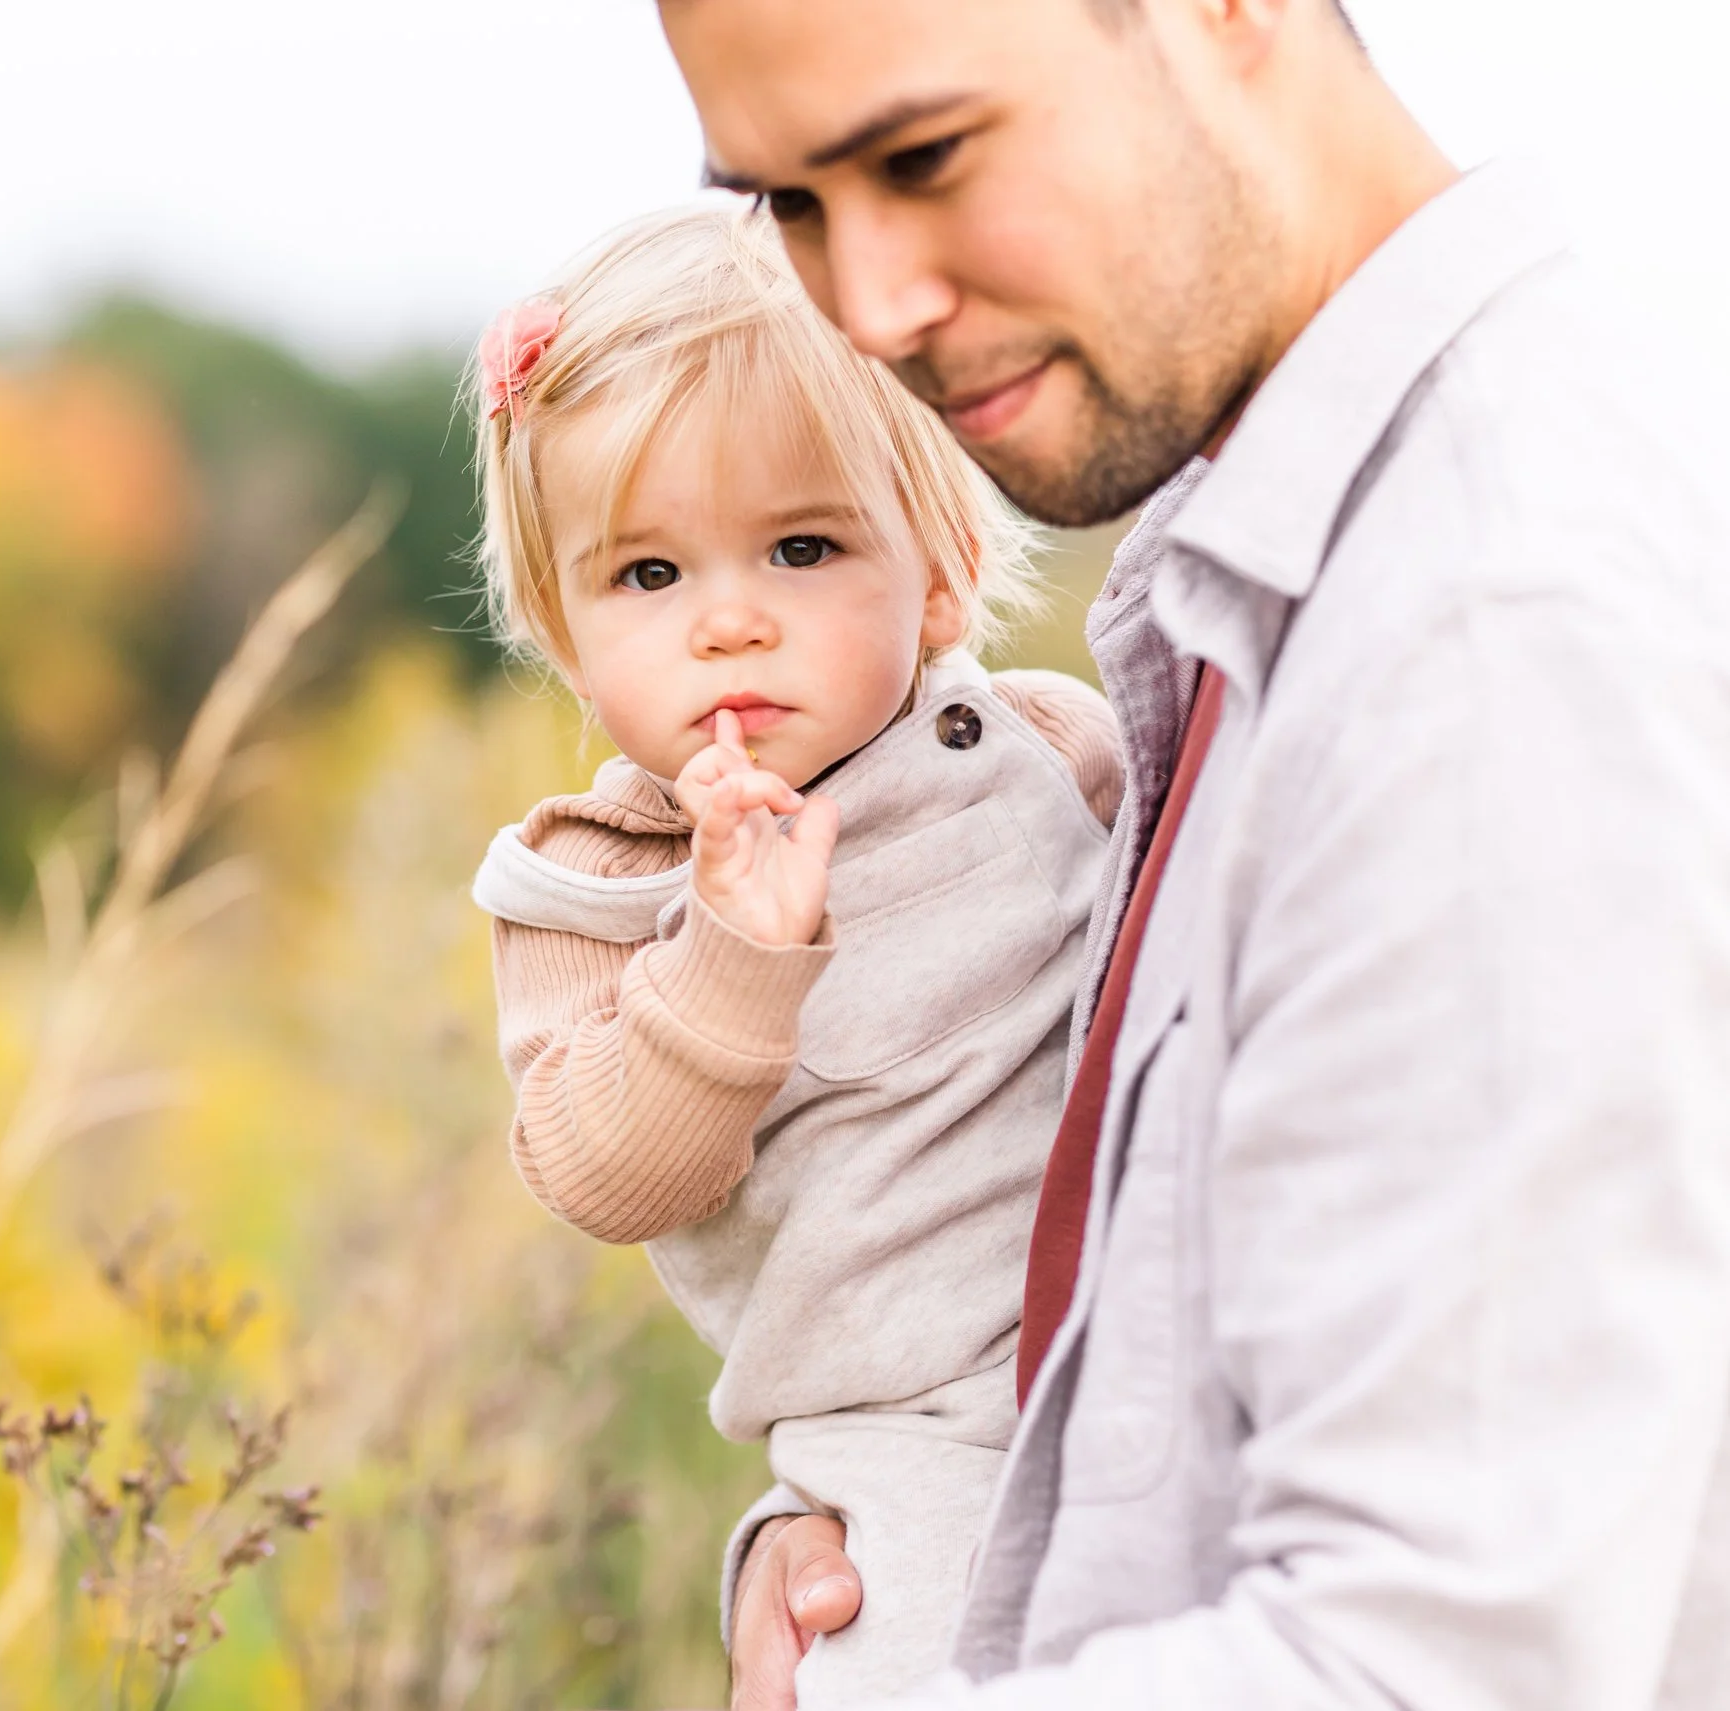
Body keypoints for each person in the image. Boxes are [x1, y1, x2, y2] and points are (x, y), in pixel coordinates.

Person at [644, 0, 1730, 1706]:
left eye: (923, 157)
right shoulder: (1287, 555)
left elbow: (1428, 1659)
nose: (868, 309)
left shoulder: (1488, 623)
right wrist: (892, 1528)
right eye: (789, 203)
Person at [466, 206, 1121, 1698]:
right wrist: (734, 955)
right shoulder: (594, 884)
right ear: (566, 632)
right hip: (914, 1440)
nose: (729, 622)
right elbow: (605, 1171)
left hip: (1151, 1330)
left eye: (802, 546)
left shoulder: (1039, 747)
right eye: (649, 576)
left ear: (941, 578)